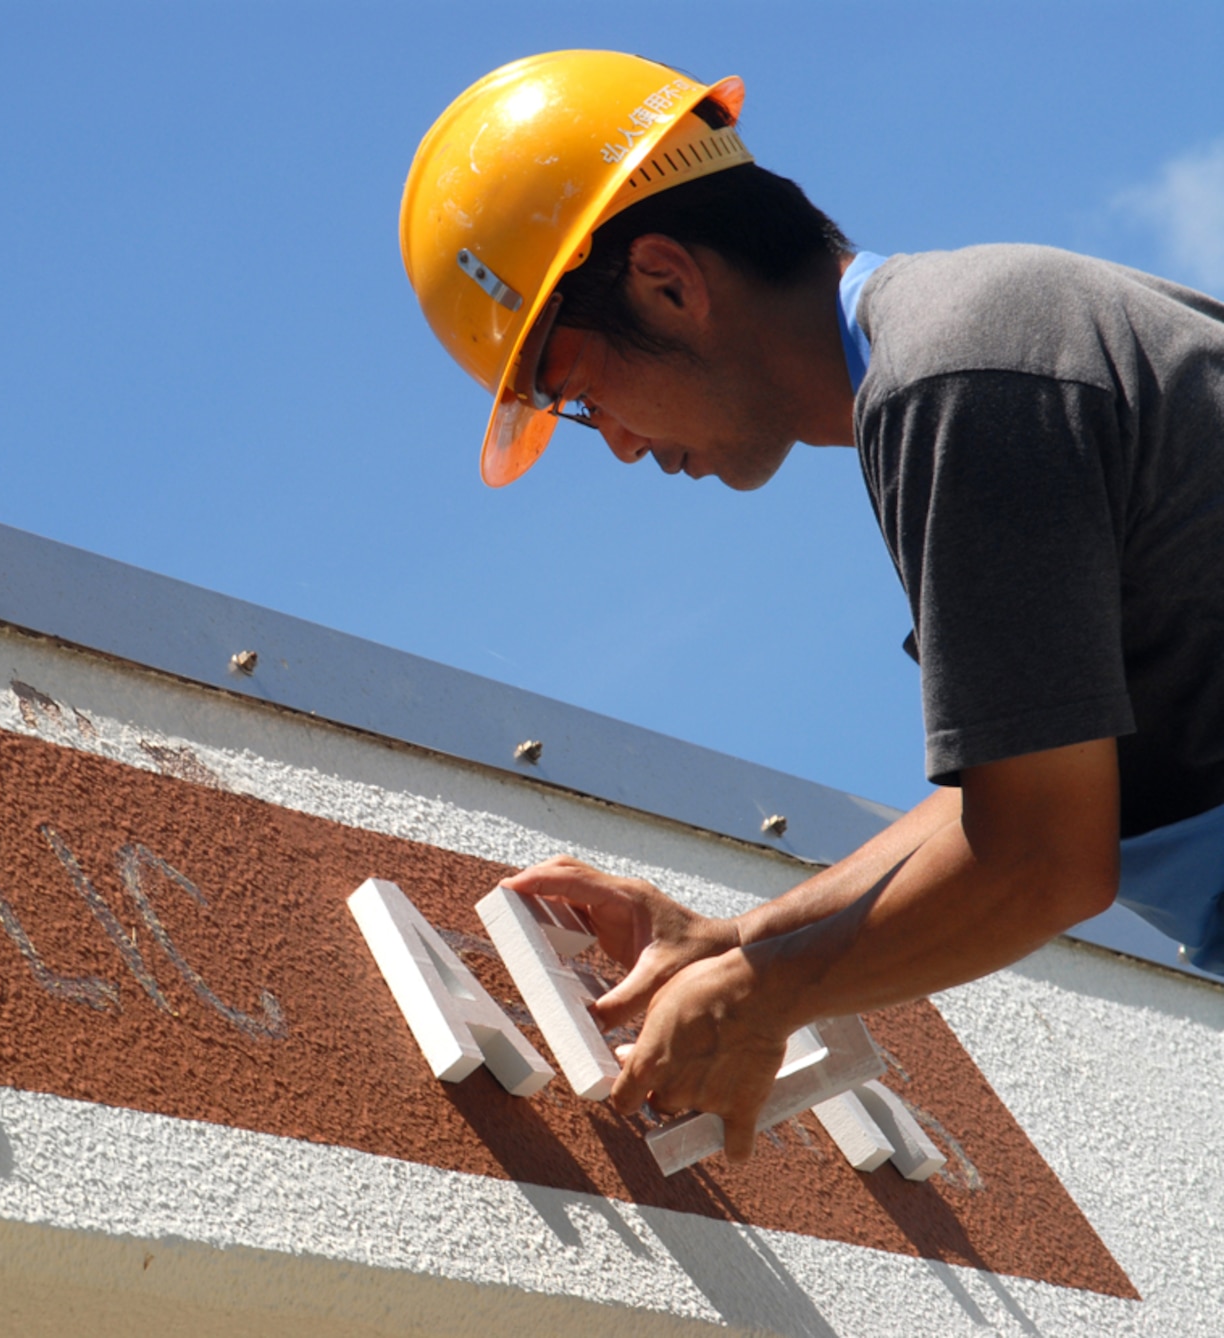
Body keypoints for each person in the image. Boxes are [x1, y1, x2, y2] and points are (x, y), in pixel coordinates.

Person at [400, 51, 1224, 1159]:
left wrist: (757, 994)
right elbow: (1039, 790)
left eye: (581, 396)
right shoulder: (971, 348)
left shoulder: (962, 382)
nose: (624, 446)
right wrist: (738, 939)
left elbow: (1040, 856)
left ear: (665, 281)